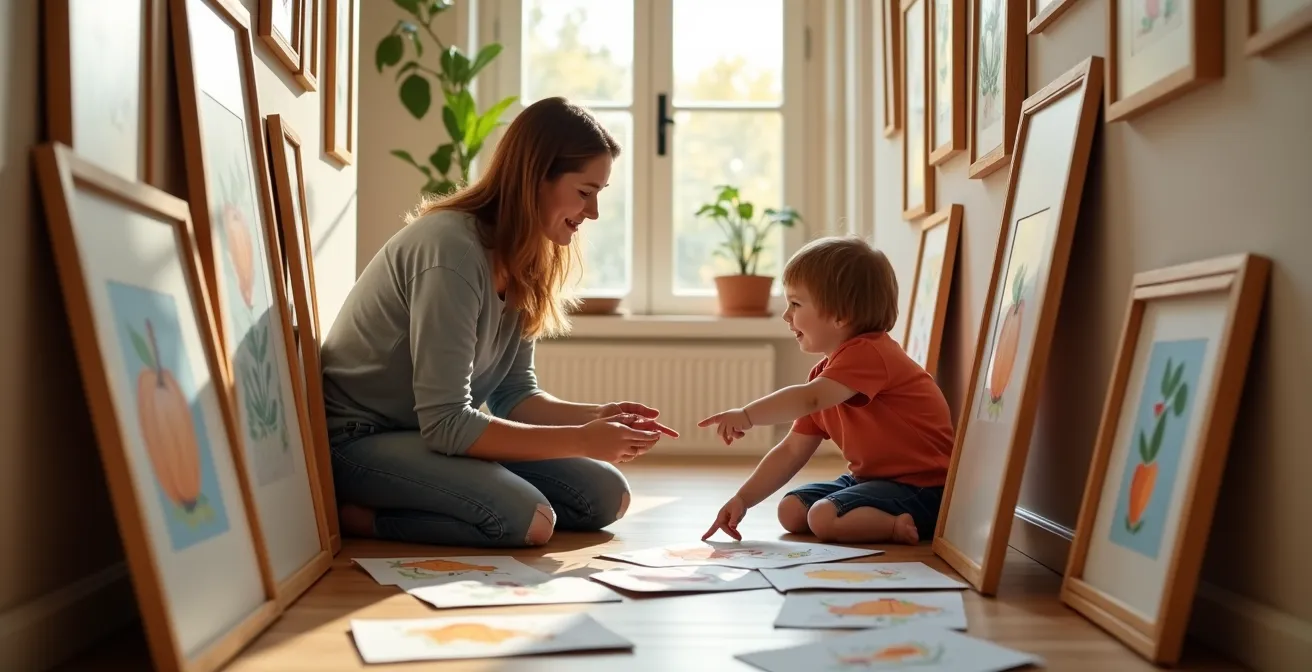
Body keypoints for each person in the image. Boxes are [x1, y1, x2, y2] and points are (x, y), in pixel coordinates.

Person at [318, 97, 678, 549]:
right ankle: (364, 519)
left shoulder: (527, 257)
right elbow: (447, 423)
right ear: (536, 178)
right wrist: (582, 440)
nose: (593, 213)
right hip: (361, 440)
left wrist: (598, 417)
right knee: (529, 521)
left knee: (608, 496)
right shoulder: (452, 252)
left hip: (427, 436)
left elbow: (515, 396)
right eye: (585, 192)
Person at [698, 236, 954, 545]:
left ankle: (895, 526)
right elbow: (792, 450)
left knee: (823, 516)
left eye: (795, 304)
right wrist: (743, 499)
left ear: (840, 315)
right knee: (791, 510)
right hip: (872, 481)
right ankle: (874, 518)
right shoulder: (824, 378)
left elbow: (809, 398)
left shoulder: (869, 354)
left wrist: (747, 415)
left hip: (924, 488)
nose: (786, 315)